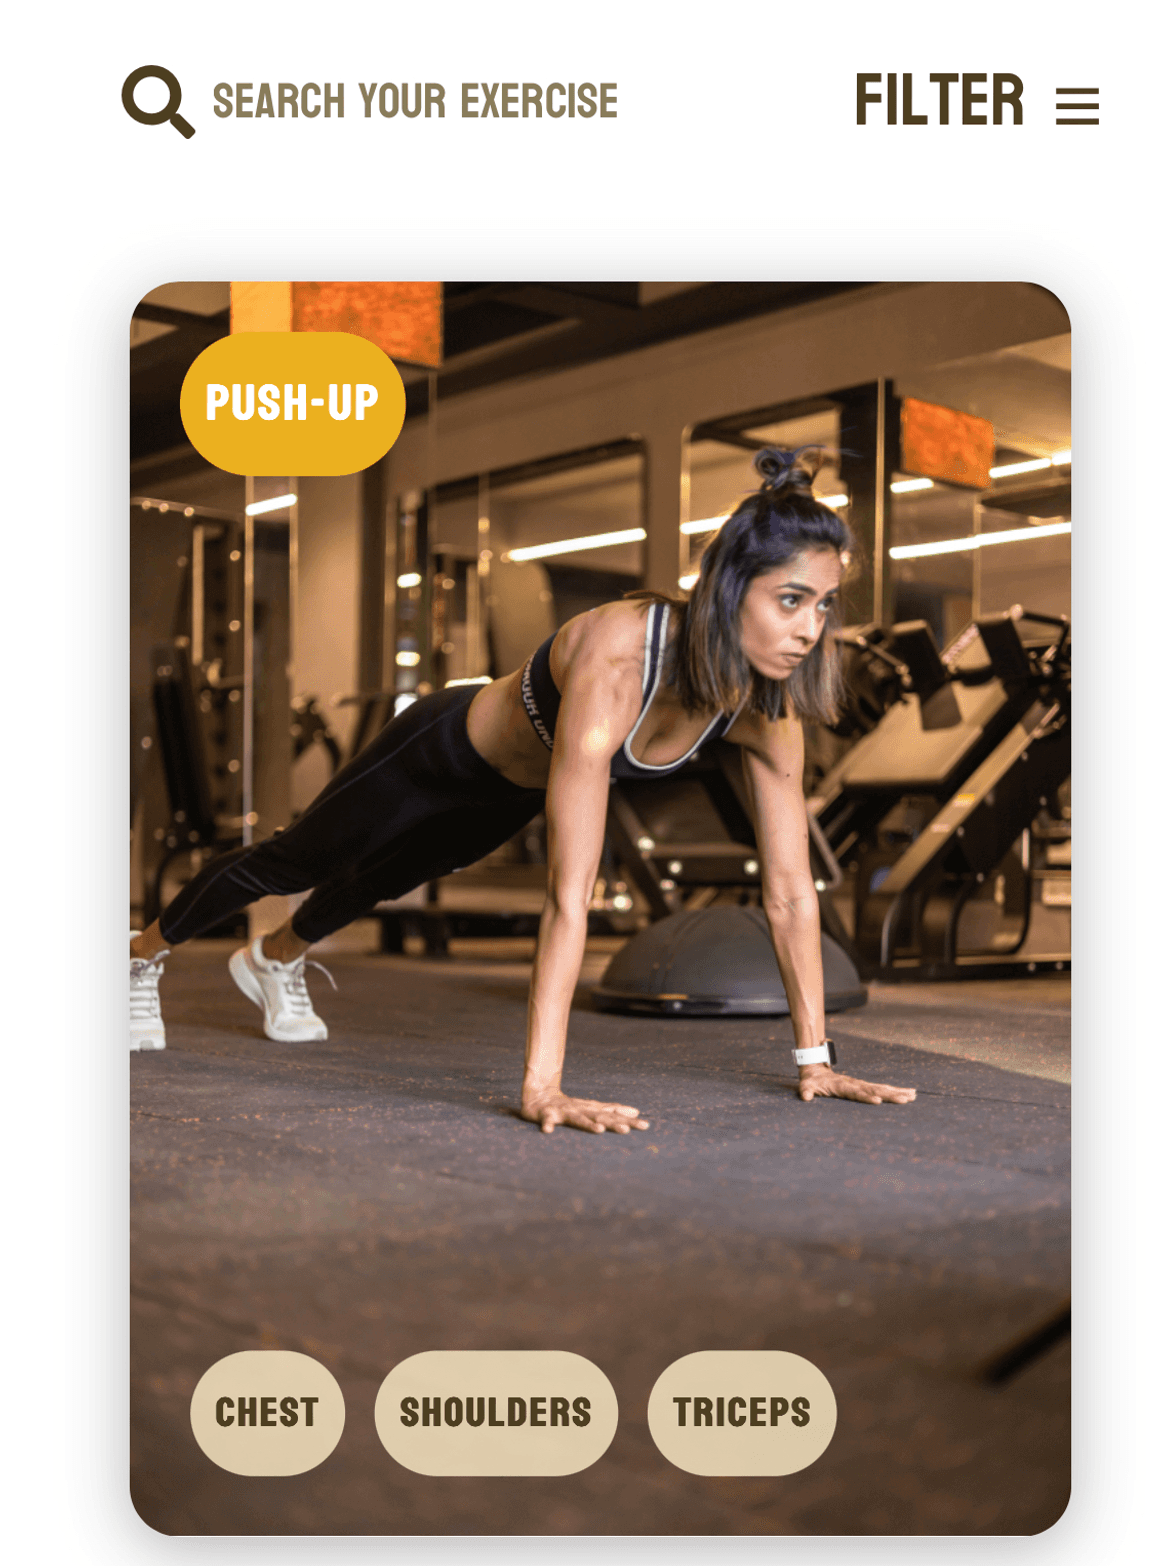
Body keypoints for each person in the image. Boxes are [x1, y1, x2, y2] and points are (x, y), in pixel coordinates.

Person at [130, 446, 916, 1128]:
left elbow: (790, 892)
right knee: (297, 859)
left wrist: (816, 1059)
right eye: (790, 600)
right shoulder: (619, 656)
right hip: (441, 751)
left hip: (504, 793)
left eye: (821, 605)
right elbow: (568, 896)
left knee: (388, 878)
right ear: (727, 586)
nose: (811, 630)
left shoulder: (767, 707)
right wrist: (543, 1085)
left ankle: (275, 956)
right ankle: (139, 954)